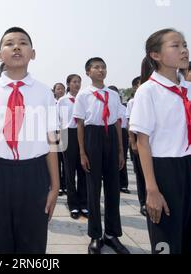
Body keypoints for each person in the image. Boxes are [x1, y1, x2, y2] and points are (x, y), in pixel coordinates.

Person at [0, 27, 59, 254]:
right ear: (0, 55)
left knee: (33, 242)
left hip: (34, 173)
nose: (16, 47)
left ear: (33, 53)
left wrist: (55, 186)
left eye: (23, 42)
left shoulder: (44, 93)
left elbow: (51, 141)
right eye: (9, 43)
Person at [130, 28, 191, 254]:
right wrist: (152, 189)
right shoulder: (148, 91)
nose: (184, 50)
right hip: (166, 170)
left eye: (185, 45)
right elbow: (142, 143)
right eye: (175, 46)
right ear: (155, 55)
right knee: (167, 240)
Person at [74, 57, 129, 254]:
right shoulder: (83, 95)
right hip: (92, 137)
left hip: (111, 139)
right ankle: (95, 235)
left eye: (103, 67)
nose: (101, 70)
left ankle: (112, 234)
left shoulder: (113, 95)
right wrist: (82, 152)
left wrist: (121, 150)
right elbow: (80, 124)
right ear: (88, 72)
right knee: (93, 188)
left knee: (113, 189)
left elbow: (117, 122)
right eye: (96, 67)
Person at [57, 74, 87, 219]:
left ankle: (83, 203)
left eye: (79, 82)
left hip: (83, 133)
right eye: (74, 82)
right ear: (68, 84)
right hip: (67, 134)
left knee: (83, 169)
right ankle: (73, 205)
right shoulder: (63, 101)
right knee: (69, 171)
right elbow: (58, 121)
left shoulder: (84, 98)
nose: (77, 84)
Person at [126, 76, 147, 216]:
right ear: (135, 87)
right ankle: (143, 202)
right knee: (141, 173)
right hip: (139, 140)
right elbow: (130, 123)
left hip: (153, 141)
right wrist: (132, 142)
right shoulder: (132, 102)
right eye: (140, 84)